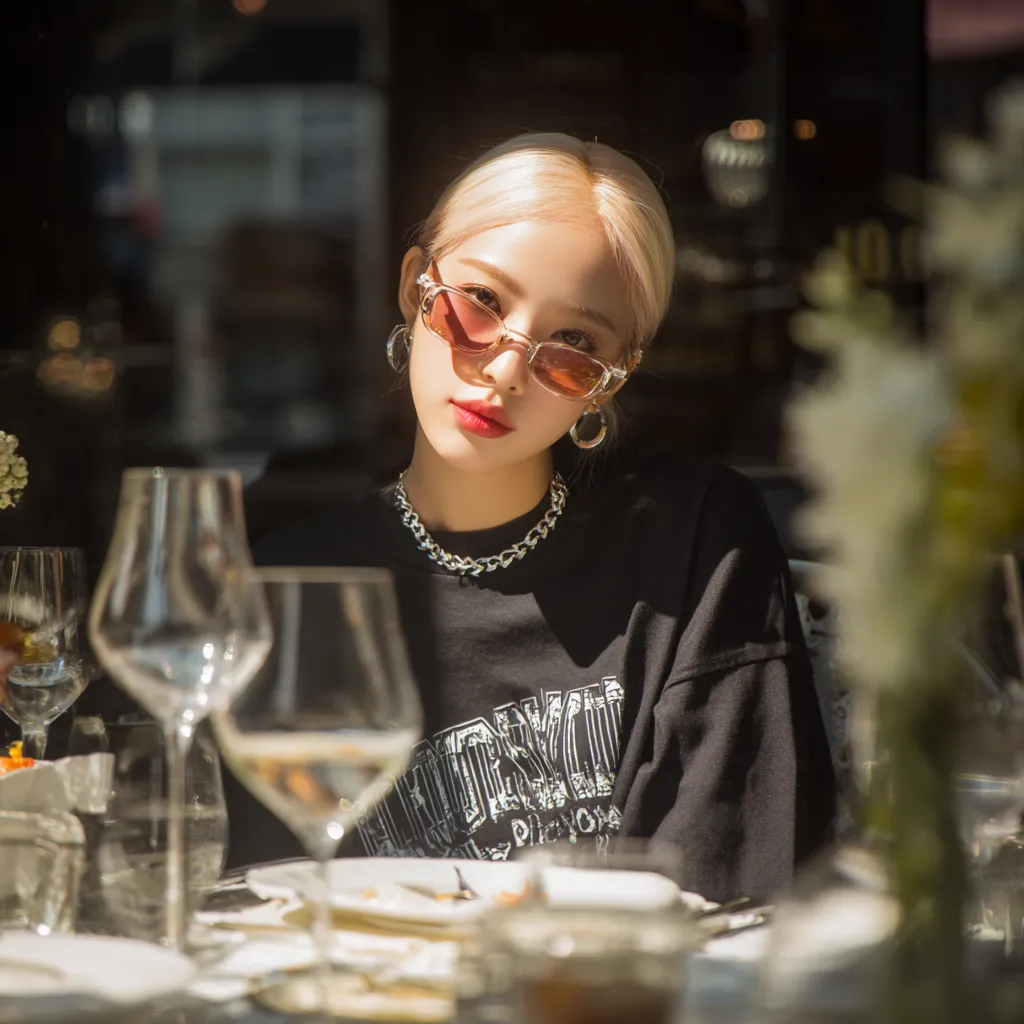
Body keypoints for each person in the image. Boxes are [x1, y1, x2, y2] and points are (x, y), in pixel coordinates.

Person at [230, 133, 836, 903]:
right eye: (479, 303)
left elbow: (731, 889)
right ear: (417, 285)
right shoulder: (290, 583)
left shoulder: (695, 548)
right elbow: (247, 900)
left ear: (612, 381)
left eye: (574, 344)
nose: (508, 369)